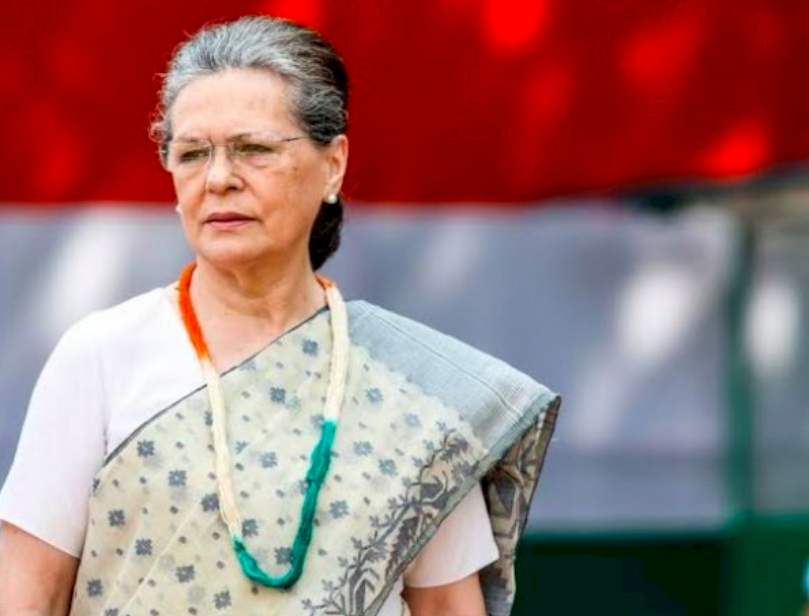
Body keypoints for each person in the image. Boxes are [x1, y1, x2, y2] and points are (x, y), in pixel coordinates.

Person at [0, 16, 559, 616]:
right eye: (192, 154)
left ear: (333, 164)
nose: (218, 179)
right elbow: (30, 591)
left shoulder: (414, 391)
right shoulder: (104, 355)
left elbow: (447, 606)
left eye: (254, 149)